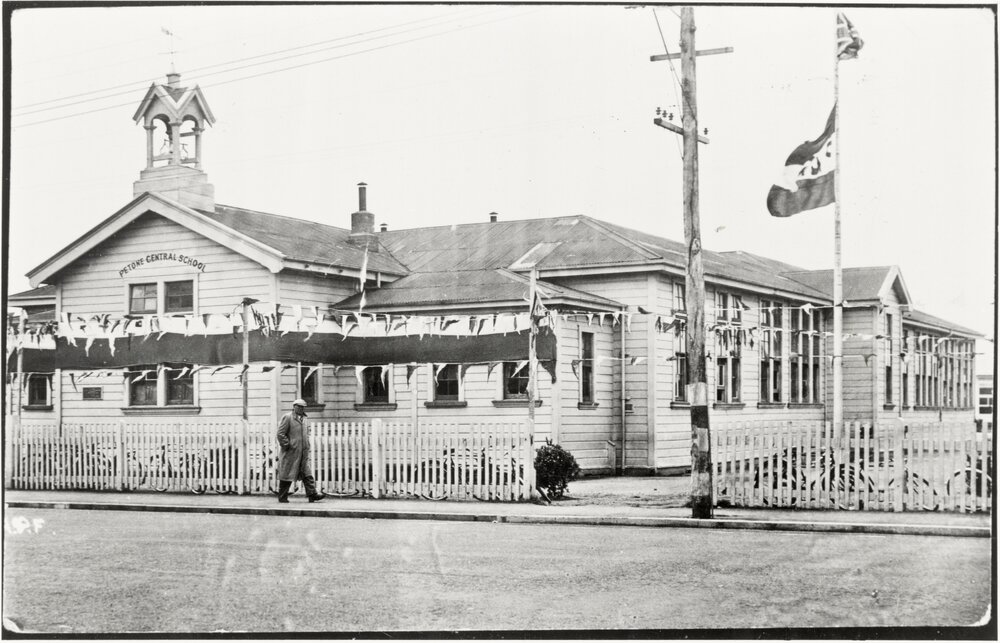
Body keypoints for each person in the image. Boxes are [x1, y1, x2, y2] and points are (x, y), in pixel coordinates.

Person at [275, 399, 325, 503]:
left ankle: (312, 494)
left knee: (307, 473)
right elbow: (280, 434)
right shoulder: (288, 417)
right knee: (286, 475)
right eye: (299, 406)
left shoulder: (304, 418)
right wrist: (287, 445)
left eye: (303, 407)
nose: (301, 409)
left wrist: (307, 445)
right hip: (290, 453)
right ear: (294, 407)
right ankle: (282, 497)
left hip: (302, 452)